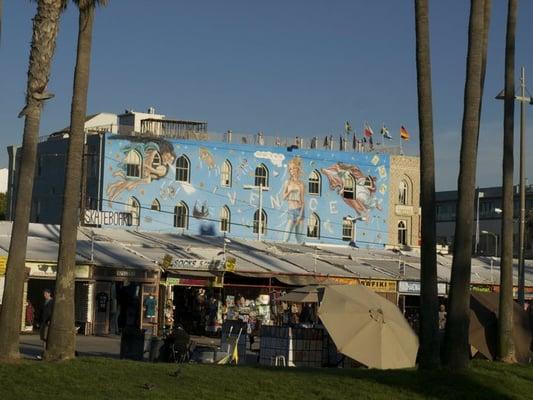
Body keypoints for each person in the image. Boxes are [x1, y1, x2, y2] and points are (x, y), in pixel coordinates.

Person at [283, 157, 305, 243]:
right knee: (286, 234)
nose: (291, 171)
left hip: (300, 210)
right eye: (290, 169)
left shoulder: (301, 184)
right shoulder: (287, 182)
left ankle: (302, 251)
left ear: (297, 169)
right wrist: (290, 192)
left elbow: (303, 201)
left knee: (298, 235)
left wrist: (300, 215)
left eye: (293, 168)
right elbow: (284, 197)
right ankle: (283, 245)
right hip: (291, 210)